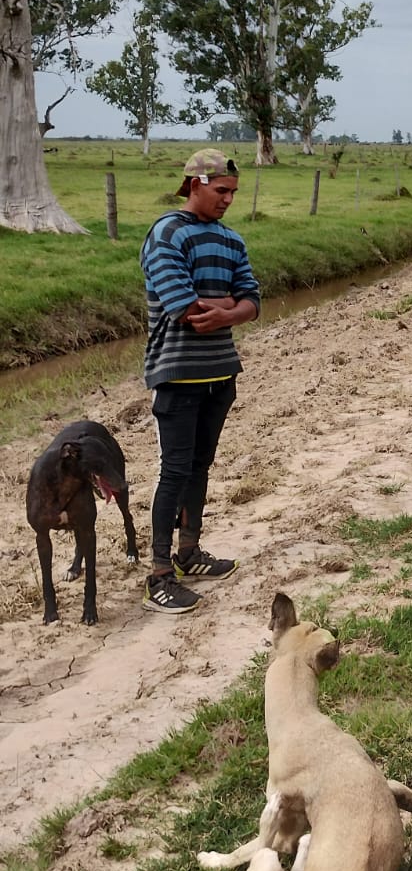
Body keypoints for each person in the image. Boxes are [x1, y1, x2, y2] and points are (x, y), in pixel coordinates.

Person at [139, 149, 261, 613]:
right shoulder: (166, 233)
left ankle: (189, 551)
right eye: (220, 190)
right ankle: (159, 574)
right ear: (194, 184)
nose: (227, 199)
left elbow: (252, 299)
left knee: (200, 467)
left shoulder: (231, 239)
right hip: (177, 374)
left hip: (220, 373)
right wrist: (227, 308)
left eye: (232, 192)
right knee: (174, 470)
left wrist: (229, 309)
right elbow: (185, 309)